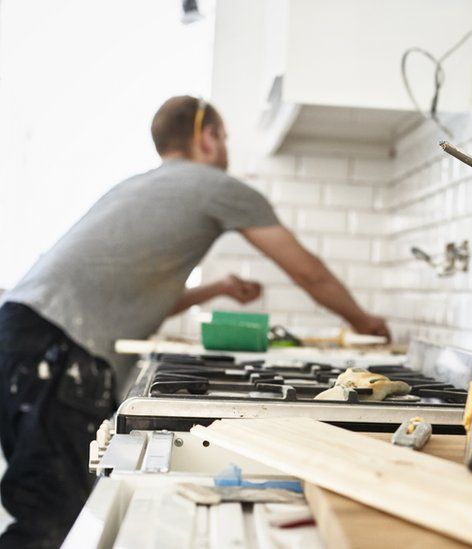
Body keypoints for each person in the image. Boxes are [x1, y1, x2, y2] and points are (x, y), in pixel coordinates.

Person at [0, 96, 390, 547]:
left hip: (23, 338)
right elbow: (308, 271)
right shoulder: (216, 185)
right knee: (50, 524)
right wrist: (365, 322)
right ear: (206, 136)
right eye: (223, 137)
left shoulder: (137, 186)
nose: (225, 148)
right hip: (57, 354)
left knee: (45, 511)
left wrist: (216, 289)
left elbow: (138, 301)